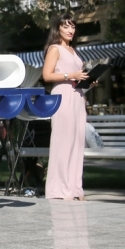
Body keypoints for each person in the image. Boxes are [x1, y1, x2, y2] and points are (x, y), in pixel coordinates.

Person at [41, 12, 89, 200]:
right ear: (58, 28)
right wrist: (71, 75)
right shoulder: (55, 49)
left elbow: (77, 76)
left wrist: (87, 80)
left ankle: (75, 188)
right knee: (63, 142)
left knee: (77, 143)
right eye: (66, 26)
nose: (70, 30)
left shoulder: (73, 51)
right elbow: (47, 75)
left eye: (73, 26)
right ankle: (58, 190)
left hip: (78, 96)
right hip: (63, 95)